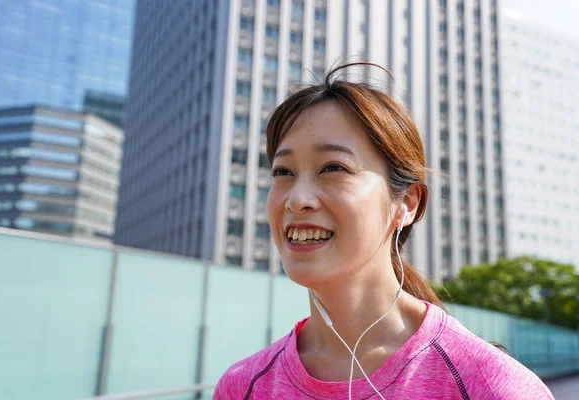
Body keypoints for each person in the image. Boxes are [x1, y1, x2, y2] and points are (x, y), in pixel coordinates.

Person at [213, 63, 554, 399]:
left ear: (406, 202)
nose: (297, 200)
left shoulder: (493, 388)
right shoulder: (243, 387)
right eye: (282, 171)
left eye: (334, 167)